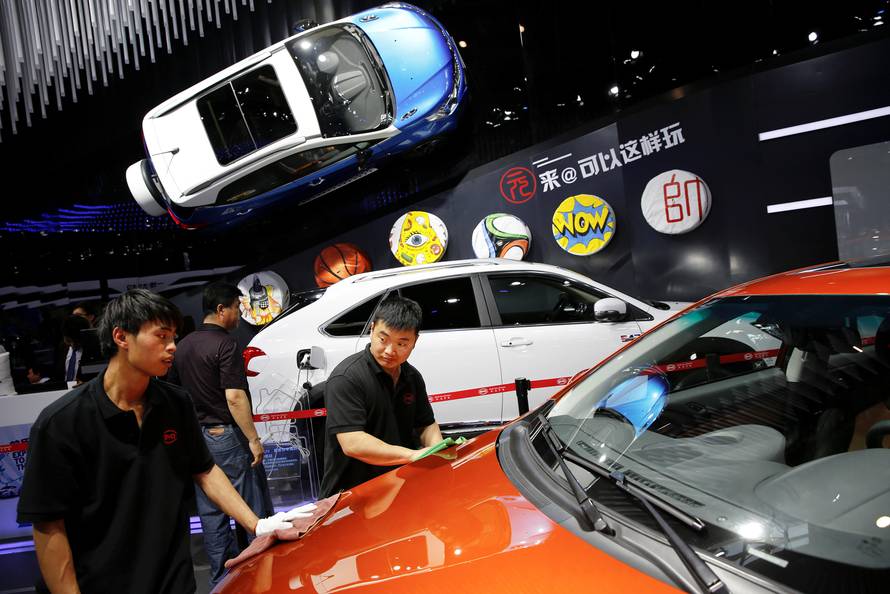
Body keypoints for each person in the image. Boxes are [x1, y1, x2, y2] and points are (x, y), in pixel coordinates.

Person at [16, 289, 311, 594]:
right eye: (161, 336)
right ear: (121, 337)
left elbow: (205, 470)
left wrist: (257, 524)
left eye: (173, 336)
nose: (172, 347)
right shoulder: (62, 422)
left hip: (173, 581)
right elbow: (48, 524)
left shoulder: (175, 403)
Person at [167, 282, 273, 588]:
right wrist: (253, 439)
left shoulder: (183, 345)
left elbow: (175, 393)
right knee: (250, 507)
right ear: (220, 310)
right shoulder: (226, 344)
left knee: (211, 512)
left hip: (198, 437)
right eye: (237, 309)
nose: (239, 315)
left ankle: (220, 581)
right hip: (227, 435)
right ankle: (260, 573)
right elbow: (235, 397)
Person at [320, 295, 443, 497]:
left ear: (414, 342)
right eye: (383, 339)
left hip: (397, 486)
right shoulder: (346, 377)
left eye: (402, 344)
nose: (389, 351)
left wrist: (437, 450)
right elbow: (353, 443)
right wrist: (412, 455)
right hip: (351, 495)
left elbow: (425, 424)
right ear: (372, 329)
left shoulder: (412, 376)